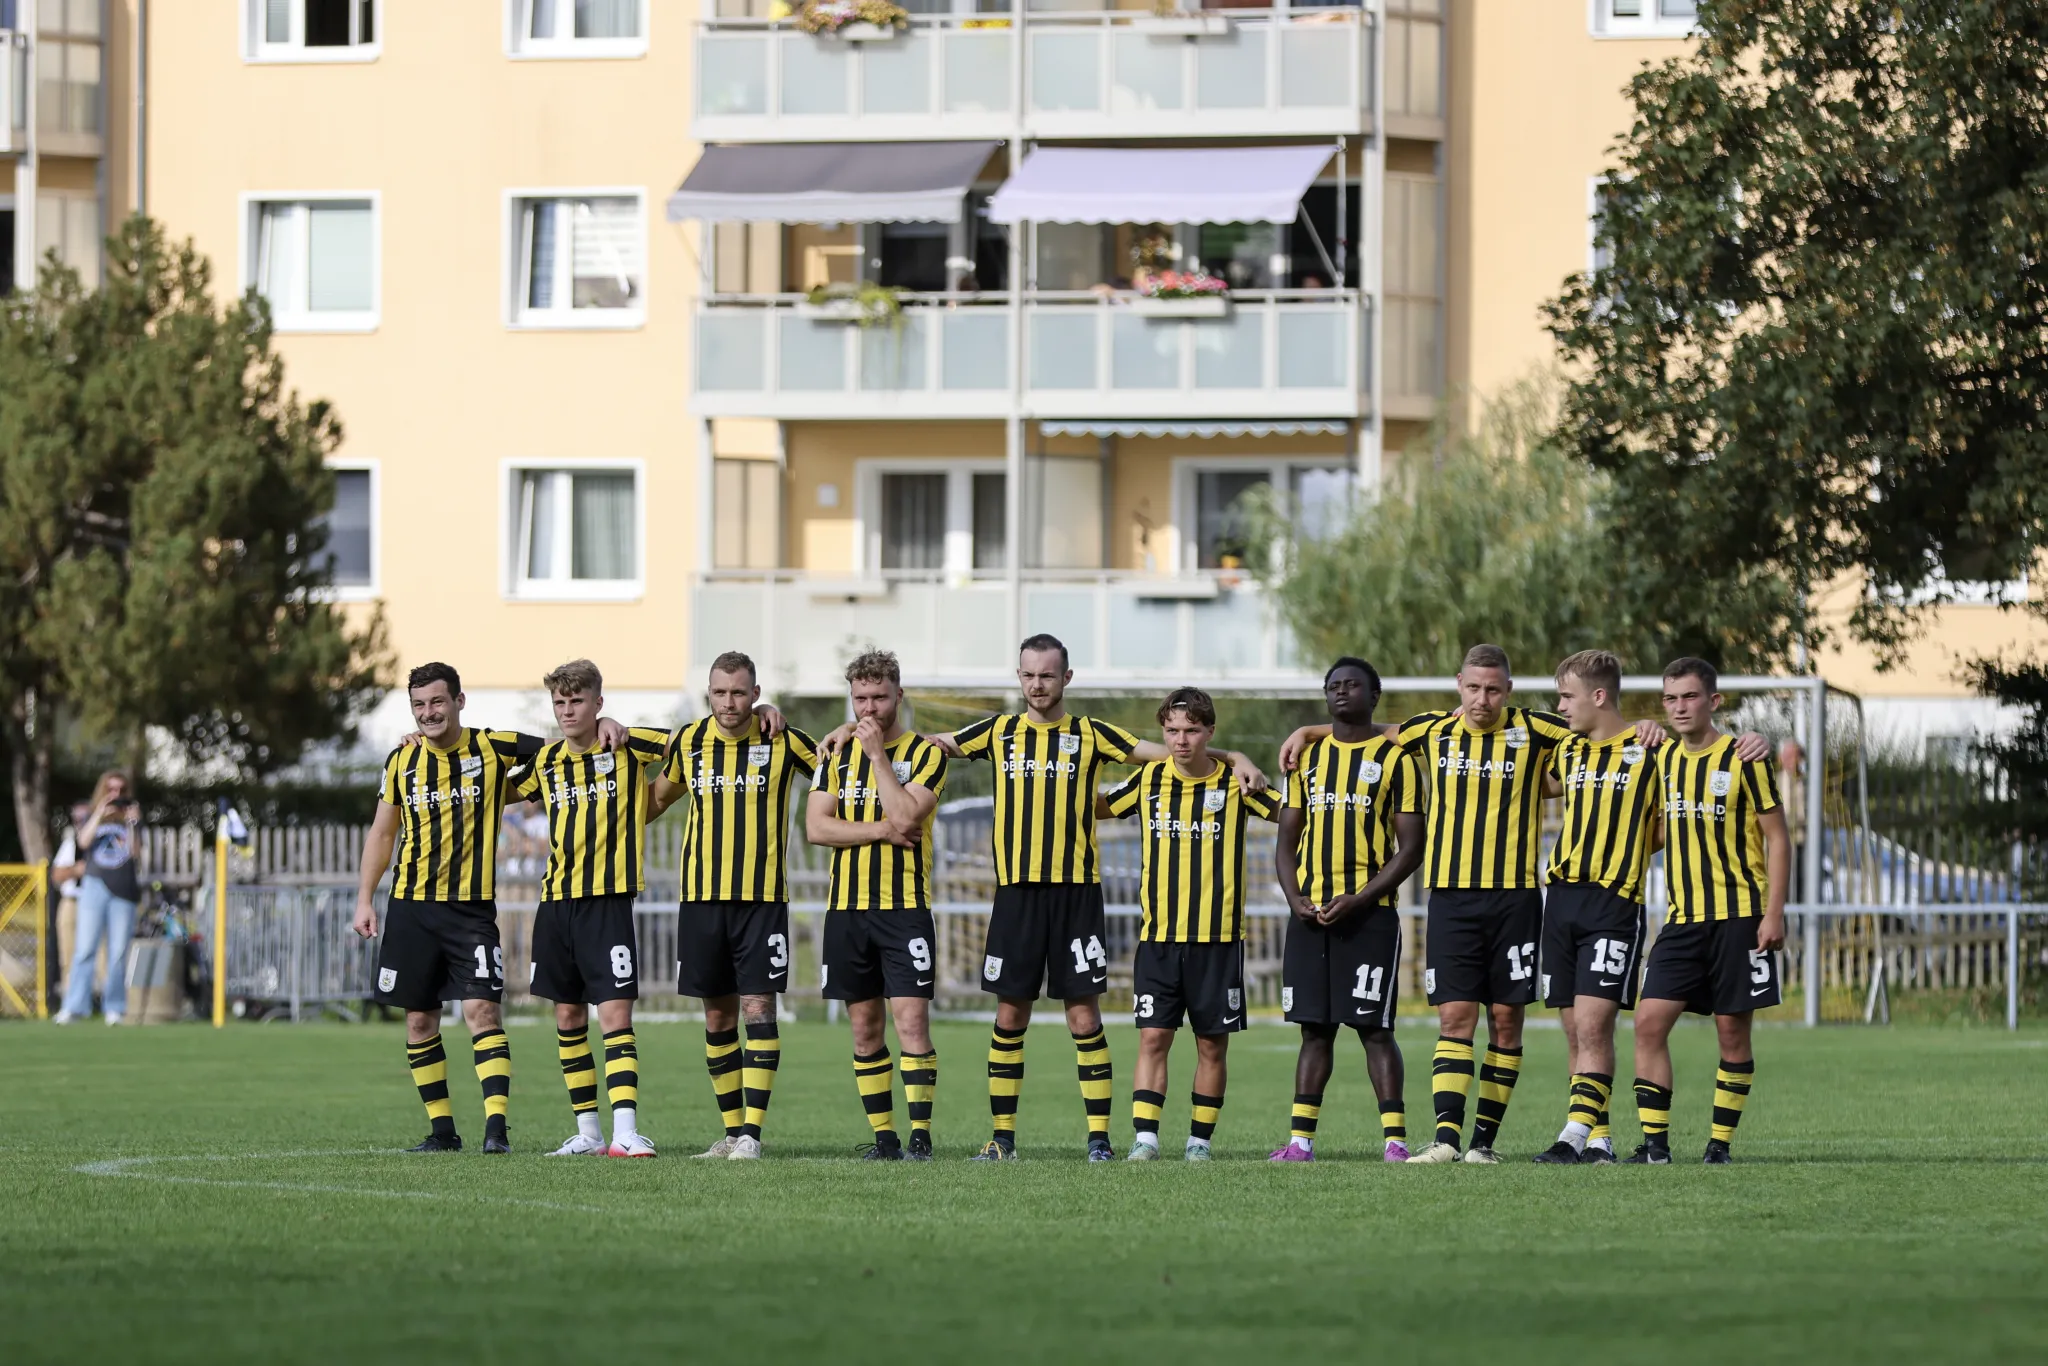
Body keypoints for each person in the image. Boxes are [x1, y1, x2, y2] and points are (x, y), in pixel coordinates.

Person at [823, 633, 1270, 1163]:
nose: (1038, 684)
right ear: (1019, 678)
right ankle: (1003, 1139)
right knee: (1010, 1017)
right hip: (1015, 898)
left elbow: (1174, 752)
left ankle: (1099, 1140)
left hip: (1077, 896)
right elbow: (921, 741)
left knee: (1084, 1019)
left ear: (1067, 678)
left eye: (1048, 675)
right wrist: (853, 727)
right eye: (1029, 675)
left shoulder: (1092, 732)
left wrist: (1233, 754)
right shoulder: (997, 731)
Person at [1282, 644, 1662, 1163]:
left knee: (1507, 1021)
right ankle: (1446, 1139)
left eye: (1494, 689)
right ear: (1459, 684)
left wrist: (1647, 725)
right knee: (1455, 1018)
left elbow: (1603, 732)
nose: (1483, 699)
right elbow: (1366, 733)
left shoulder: (1540, 731)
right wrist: (1306, 732)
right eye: (1474, 687)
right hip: (1451, 899)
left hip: (1516, 900)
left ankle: (1485, 1144)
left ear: (1508, 691)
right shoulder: (1432, 729)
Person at [351, 661, 623, 1154]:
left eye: (437, 701)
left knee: (482, 1010)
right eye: (418, 704)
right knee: (419, 1020)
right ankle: (442, 1132)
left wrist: (603, 724)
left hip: (470, 909)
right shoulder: (401, 761)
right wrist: (364, 898)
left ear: (459, 700)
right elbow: (382, 832)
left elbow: (559, 748)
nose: (428, 712)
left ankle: (496, 1131)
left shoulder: (492, 747)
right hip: (411, 907)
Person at [651, 651, 819, 1161]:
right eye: (721, 692)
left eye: (740, 692)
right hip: (701, 900)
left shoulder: (781, 739)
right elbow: (656, 799)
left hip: (761, 900)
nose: (730, 702)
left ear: (755, 692)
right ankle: (729, 1133)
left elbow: (836, 764)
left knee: (758, 1009)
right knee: (718, 1017)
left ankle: (753, 1134)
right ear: (709, 693)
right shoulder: (688, 741)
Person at [1100, 688, 1280, 1162]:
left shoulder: (1237, 784)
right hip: (1158, 938)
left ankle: (1199, 1143)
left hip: (1218, 939)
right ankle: (1146, 1140)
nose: (1181, 740)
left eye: (1192, 730)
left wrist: (1247, 763)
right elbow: (1095, 807)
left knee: (1211, 1045)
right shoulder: (1147, 780)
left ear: (1210, 732)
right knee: (1153, 1037)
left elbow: (1290, 813)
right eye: (1173, 730)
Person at [1628, 658, 1790, 1165]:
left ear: (1714, 701)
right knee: (1649, 1022)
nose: (1679, 707)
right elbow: (1657, 832)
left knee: (1731, 1032)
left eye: (1690, 697)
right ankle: (1655, 1147)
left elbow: (1779, 838)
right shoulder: (1661, 760)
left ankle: (1718, 1146)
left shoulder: (1746, 756)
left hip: (1741, 915)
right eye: (1670, 699)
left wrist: (1775, 913)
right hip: (1682, 919)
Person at [512, 660, 673, 1160]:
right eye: (559, 702)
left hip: (609, 901)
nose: (566, 710)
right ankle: (588, 1132)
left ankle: (625, 1130)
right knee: (566, 1014)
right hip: (556, 902)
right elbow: (502, 786)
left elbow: (691, 742)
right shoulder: (547, 762)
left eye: (576, 701)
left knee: (615, 1014)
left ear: (598, 703)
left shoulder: (625, 744)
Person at [1269, 657, 1423, 1164]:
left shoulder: (1398, 759)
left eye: (1352, 685)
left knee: (1375, 1029)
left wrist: (1362, 898)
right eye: (1333, 686)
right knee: (1314, 1030)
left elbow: (1411, 847)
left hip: (1369, 916)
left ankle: (1395, 1142)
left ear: (1374, 696)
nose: (1341, 692)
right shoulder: (1306, 759)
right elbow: (1286, 840)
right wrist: (1295, 901)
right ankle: (1300, 1142)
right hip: (1310, 916)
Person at [805, 650, 949, 1161]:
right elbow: (816, 827)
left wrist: (878, 759)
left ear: (899, 696)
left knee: (911, 1023)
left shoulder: (926, 753)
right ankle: (885, 1138)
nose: (870, 708)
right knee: (865, 1027)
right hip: (845, 911)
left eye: (880, 697)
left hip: (904, 908)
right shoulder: (833, 753)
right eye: (861, 697)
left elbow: (908, 816)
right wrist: (881, 831)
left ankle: (921, 1137)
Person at [1529, 650, 1665, 1166]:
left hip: (1614, 902)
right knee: (1573, 1029)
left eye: (1567, 696)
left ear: (1599, 696)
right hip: (1561, 899)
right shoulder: (1568, 752)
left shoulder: (1652, 752)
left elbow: (1669, 822)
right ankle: (1599, 1140)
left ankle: (1571, 1137)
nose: (1560, 706)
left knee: (1592, 1025)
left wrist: (1625, 849)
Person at [54, 774, 143, 1025]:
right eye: (110, 788)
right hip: (94, 886)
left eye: (121, 789)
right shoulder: (92, 814)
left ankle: (114, 1007)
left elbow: (135, 853)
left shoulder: (132, 817)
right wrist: (98, 814)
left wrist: (133, 823)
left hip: (123, 890)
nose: (115, 793)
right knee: (84, 949)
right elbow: (83, 842)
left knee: (117, 952)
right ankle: (74, 1007)